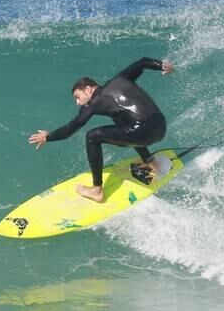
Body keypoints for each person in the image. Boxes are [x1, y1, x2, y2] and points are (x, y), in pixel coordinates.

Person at [29, 57, 174, 202]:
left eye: (78, 97)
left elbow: (71, 128)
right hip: (160, 126)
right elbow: (142, 62)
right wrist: (162, 66)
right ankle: (149, 160)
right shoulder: (120, 79)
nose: (78, 103)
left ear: (88, 89)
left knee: (92, 136)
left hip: (143, 134)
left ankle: (97, 190)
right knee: (119, 119)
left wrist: (47, 137)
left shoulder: (95, 102)